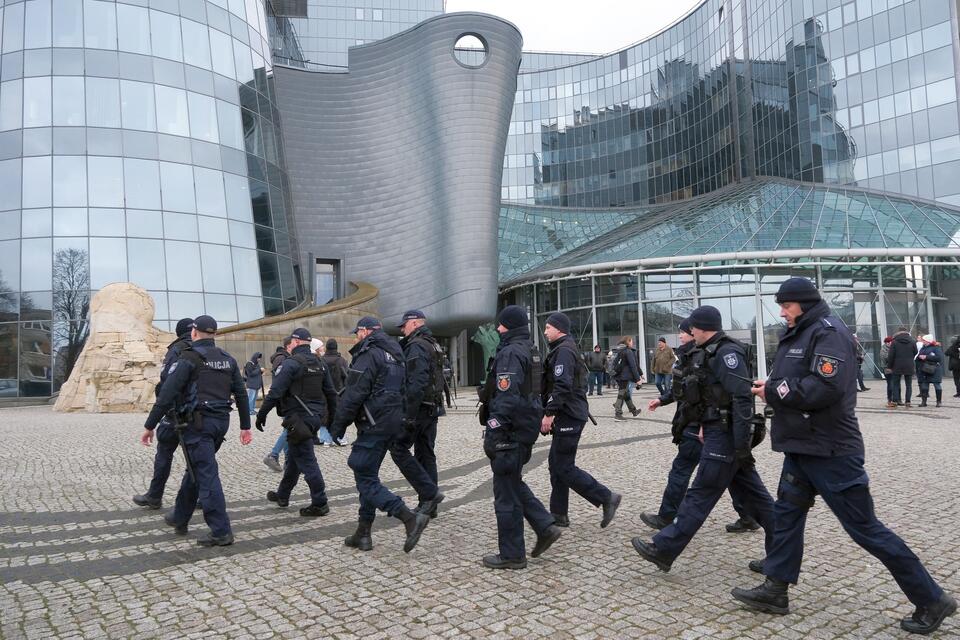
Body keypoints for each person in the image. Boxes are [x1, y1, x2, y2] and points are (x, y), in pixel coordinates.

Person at [732, 277, 956, 635]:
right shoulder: (801, 331)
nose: (781, 311)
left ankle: (931, 598)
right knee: (787, 517)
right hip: (802, 447)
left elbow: (825, 387)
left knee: (865, 528)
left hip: (831, 450)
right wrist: (772, 387)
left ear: (802, 303)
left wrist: (773, 391)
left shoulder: (828, 332)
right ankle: (776, 589)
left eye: (785, 305)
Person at [631, 305, 774, 573]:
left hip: (727, 436)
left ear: (704, 327)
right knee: (758, 499)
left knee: (700, 493)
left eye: (692, 328)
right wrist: (704, 424)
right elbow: (708, 396)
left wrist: (741, 444)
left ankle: (664, 548)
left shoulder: (727, 353)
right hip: (717, 430)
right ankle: (783, 553)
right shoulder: (709, 351)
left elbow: (741, 399)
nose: (689, 332)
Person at [640, 318, 760, 534]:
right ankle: (749, 515)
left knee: (683, 470)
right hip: (703, 422)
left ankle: (668, 517)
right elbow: (684, 388)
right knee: (735, 472)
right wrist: (663, 399)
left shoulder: (699, 353)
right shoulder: (691, 353)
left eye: (686, 332)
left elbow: (708, 391)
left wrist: (704, 421)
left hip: (699, 424)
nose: (683, 336)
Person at [141, 315, 252, 546]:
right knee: (198, 468)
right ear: (214, 334)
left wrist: (150, 425)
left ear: (194, 332)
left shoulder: (188, 358)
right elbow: (240, 393)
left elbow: (167, 393)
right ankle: (179, 516)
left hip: (198, 423)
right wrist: (245, 426)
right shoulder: (227, 359)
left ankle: (221, 531)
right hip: (220, 423)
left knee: (206, 473)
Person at [329, 316, 430, 553]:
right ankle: (363, 533)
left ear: (365, 332)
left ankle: (408, 517)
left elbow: (354, 394)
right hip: (391, 422)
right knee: (369, 474)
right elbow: (406, 389)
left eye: (357, 333)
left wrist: (338, 427)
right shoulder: (397, 353)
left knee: (362, 470)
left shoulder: (369, 354)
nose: (356, 337)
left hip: (373, 423)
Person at [477, 305, 562, 569]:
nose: (498, 329)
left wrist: (494, 426)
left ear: (509, 326)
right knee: (512, 480)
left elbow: (507, 396)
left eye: (501, 325)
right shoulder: (530, 349)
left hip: (509, 431)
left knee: (505, 493)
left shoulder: (511, 352)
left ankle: (512, 555)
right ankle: (545, 526)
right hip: (524, 427)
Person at [541, 313, 621, 529]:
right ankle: (558, 514)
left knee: (563, 466)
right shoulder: (562, 348)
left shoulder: (565, 351)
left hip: (569, 414)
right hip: (569, 413)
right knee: (556, 465)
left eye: (548, 327)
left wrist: (550, 413)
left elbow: (562, 385)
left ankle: (606, 497)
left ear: (559, 328)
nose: (545, 331)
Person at [256, 328, 336, 516]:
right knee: (293, 458)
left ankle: (320, 501)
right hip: (314, 417)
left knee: (307, 461)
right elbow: (331, 393)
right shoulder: (319, 363)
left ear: (297, 342)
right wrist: (332, 419)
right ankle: (283, 494)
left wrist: (262, 414)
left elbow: (275, 392)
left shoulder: (292, 363)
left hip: (298, 418)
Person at [133, 317, 194, 509]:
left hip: (175, 411)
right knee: (198, 458)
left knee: (164, 454)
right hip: (199, 412)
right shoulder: (205, 349)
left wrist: (152, 422)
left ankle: (154, 495)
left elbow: (167, 380)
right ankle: (198, 496)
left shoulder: (176, 350)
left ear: (179, 332)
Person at [393, 309, 446, 518]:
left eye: (404, 325)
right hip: (432, 407)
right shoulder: (433, 342)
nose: (402, 330)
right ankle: (429, 504)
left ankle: (429, 494)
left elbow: (416, 383)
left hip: (420, 408)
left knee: (399, 449)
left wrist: (408, 415)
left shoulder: (416, 346)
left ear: (414, 324)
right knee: (426, 454)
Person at [263, 338, 294, 471]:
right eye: (295, 343)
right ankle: (274, 455)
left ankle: (288, 460)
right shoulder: (282, 359)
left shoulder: (283, 358)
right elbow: (281, 382)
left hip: (285, 399)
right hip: (285, 400)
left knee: (288, 429)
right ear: (288, 346)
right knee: (289, 428)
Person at [612, 336, 643, 420]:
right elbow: (633, 366)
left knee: (626, 393)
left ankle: (633, 410)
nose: (632, 343)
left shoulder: (619, 350)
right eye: (631, 341)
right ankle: (618, 414)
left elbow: (614, 363)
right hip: (624, 376)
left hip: (618, 375)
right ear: (628, 342)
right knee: (622, 394)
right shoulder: (628, 351)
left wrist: (640, 373)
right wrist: (638, 379)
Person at [887, 326, 917, 407]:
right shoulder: (912, 341)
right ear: (906, 331)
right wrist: (910, 358)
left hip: (897, 365)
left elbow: (891, 355)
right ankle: (908, 402)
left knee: (896, 384)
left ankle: (895, 401)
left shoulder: (894, 341)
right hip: (909, 364)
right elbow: (915, 352)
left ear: (898, 332)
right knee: (908, 385)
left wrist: (889, 366)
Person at [916, 335, 944, 407]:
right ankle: (924, 402)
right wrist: (919, 357)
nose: (922, 341)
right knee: (924, 385)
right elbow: (919, 356)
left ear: (928, 341)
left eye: (924, 340)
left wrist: (926, 357)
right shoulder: (923, 347)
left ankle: (939, 402)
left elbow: (939, 358)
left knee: (937, 385)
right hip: (925, 369)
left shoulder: (936, 348)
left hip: (935, 369)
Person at [880, 336, 894, 406]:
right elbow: (885, 358)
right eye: (890, 342)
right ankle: (890, 399)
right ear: (887, 342)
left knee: (894, 384)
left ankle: (895, 399)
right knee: (890, 384)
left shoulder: (892, 348)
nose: (891, 343)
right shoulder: (883, 349)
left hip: (894, 368)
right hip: (887, 369)